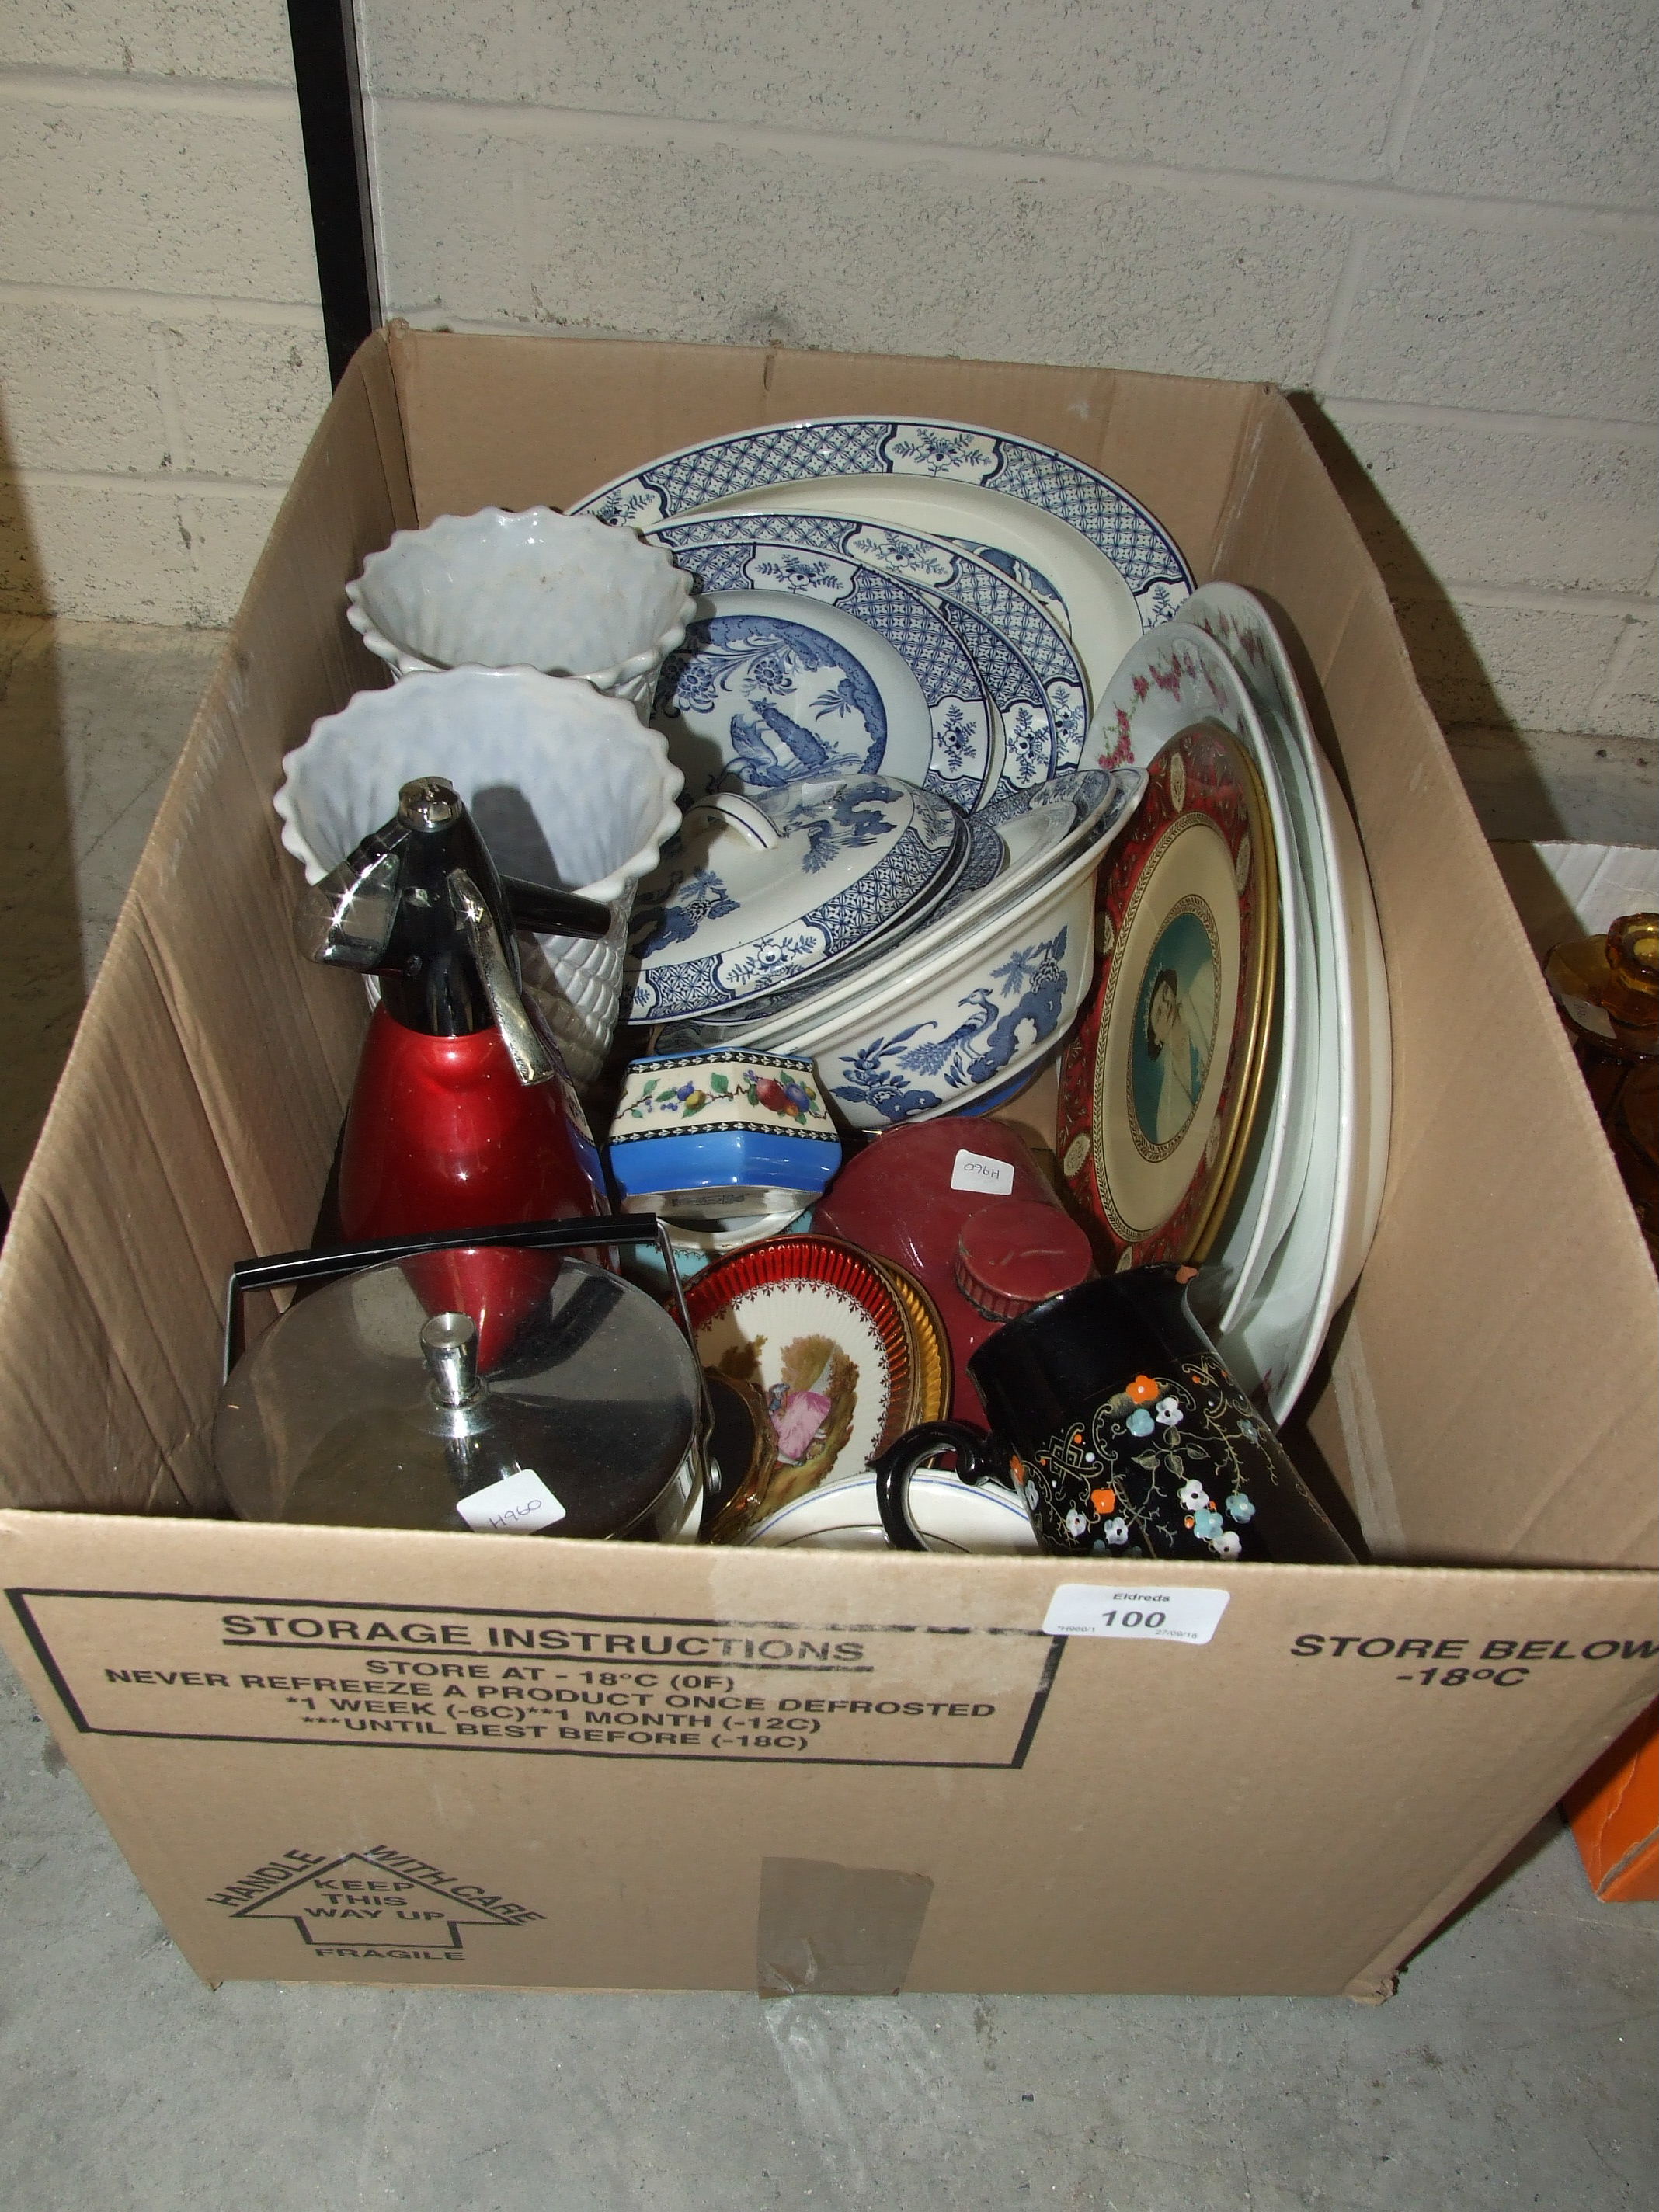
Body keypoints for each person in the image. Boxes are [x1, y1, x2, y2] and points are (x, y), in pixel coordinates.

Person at [1142, 960, 1213, 1146]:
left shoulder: (1205, 985)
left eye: (1165, 993)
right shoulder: (1168, 1109)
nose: (1166, 1005)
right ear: (1155, 1039)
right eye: (1158, 1013)